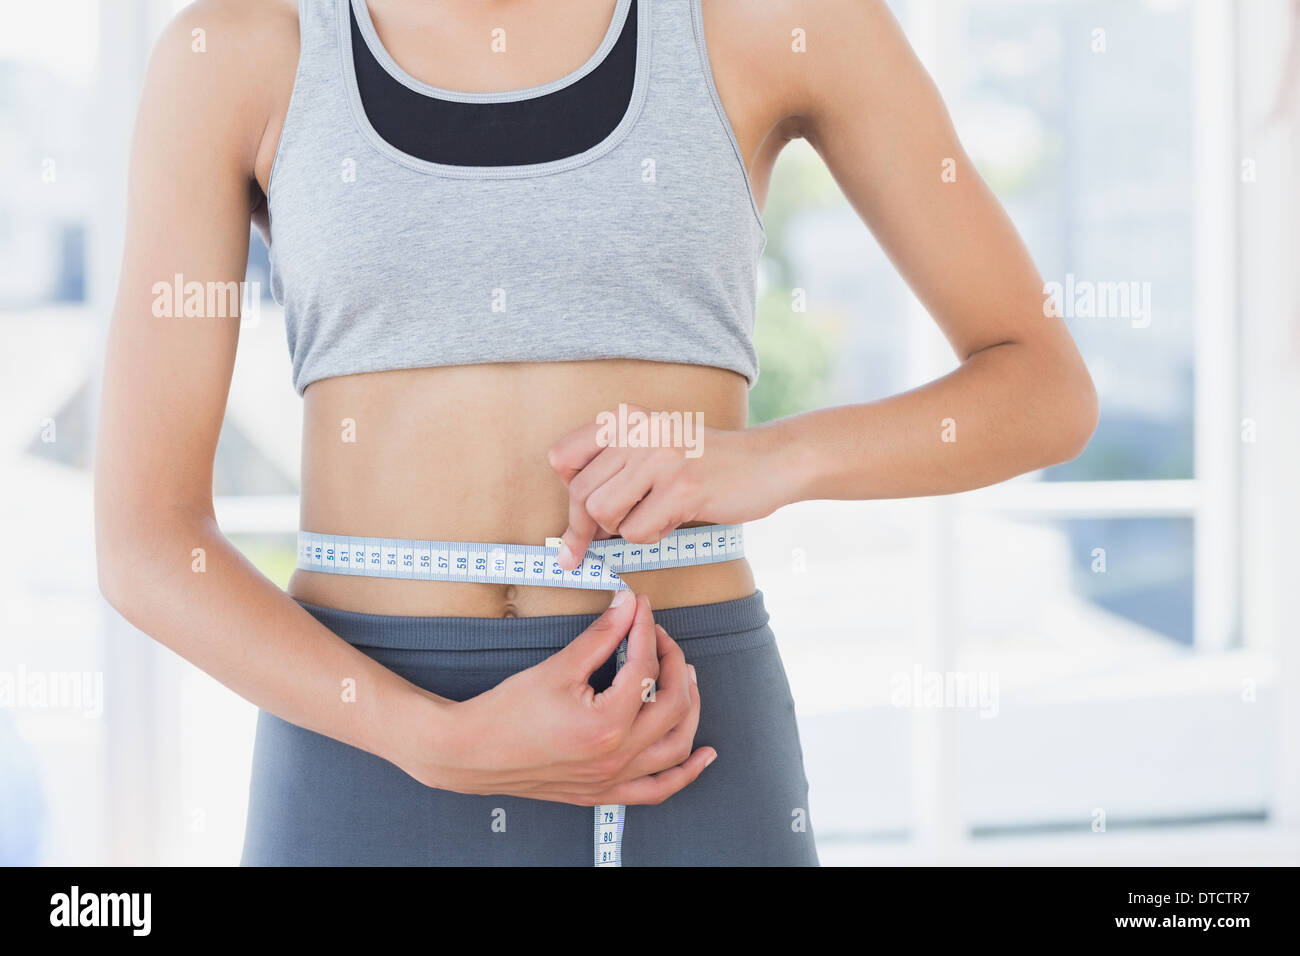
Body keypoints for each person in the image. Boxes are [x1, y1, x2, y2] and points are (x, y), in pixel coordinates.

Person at [94, 0, 1097, 866]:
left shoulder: (769, 23)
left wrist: (774, 457)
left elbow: (1043, 387)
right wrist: (427, 738)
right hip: (361, 747)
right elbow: (146, 538)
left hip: (675, 729)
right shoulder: (237, 50)